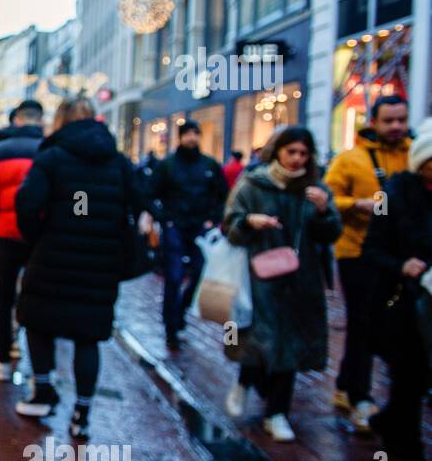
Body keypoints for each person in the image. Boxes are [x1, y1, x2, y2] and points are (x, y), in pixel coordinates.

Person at [13, 97, 140, 438]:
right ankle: (82, 413)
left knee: (38, 321)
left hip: (53, 255)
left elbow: (27, 203)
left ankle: (43, 391)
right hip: (101, 262)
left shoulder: (52, 157)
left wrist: (36, 237)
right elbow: (138, 203)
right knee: (88, 336)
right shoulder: (118, 162)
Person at [222, 127, 342, 442]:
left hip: (301, 279)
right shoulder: (253, 184)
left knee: (288, 344)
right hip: (259, 275)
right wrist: (249, 222)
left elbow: (331, 234)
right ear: (278, 151)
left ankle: (277, 413)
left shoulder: (314, 188)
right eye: (291, 152)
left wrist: (323, 211)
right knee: (262, 339)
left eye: (303, 153)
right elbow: (230, 226)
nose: (297, 159)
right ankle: (245, 381)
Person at [322, 94, 410, 429]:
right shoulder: (350, 159)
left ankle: (347, 387)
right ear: (373, 121)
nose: (396, 126)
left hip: (398, 257)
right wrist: (357, 204)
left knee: (387, 324)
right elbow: (328, 198)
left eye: (401, 119)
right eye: (389, 120)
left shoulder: (413, 155)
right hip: (356, 252)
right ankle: (360, 396)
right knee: (363, 322)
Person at [360, 116, 432, 461]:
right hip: (401, 305)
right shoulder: (392, 194)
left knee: (418, 385)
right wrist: (402, 265)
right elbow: (372, 249)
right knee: (409, 382)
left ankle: (390, 426)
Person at [0, 99, 44, 380]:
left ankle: (3, 356)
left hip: (5, 234)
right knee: (35, 294)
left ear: (17, 120)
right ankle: (39, 372)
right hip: (37, 237)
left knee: (4, 296)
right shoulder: (49, 152)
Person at [147, 119, 228, 350]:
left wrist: (214, 218)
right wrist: (163, 217)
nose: (192, 138)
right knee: (173, 276)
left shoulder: (209, 165)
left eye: (195, 133)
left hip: (200, 228)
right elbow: (149, 193)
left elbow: (223, 195)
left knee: (200, 273)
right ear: (181, 136)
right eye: (188, 134)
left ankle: (180, 311)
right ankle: (171, 326)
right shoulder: (168, 165)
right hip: (175, 226)